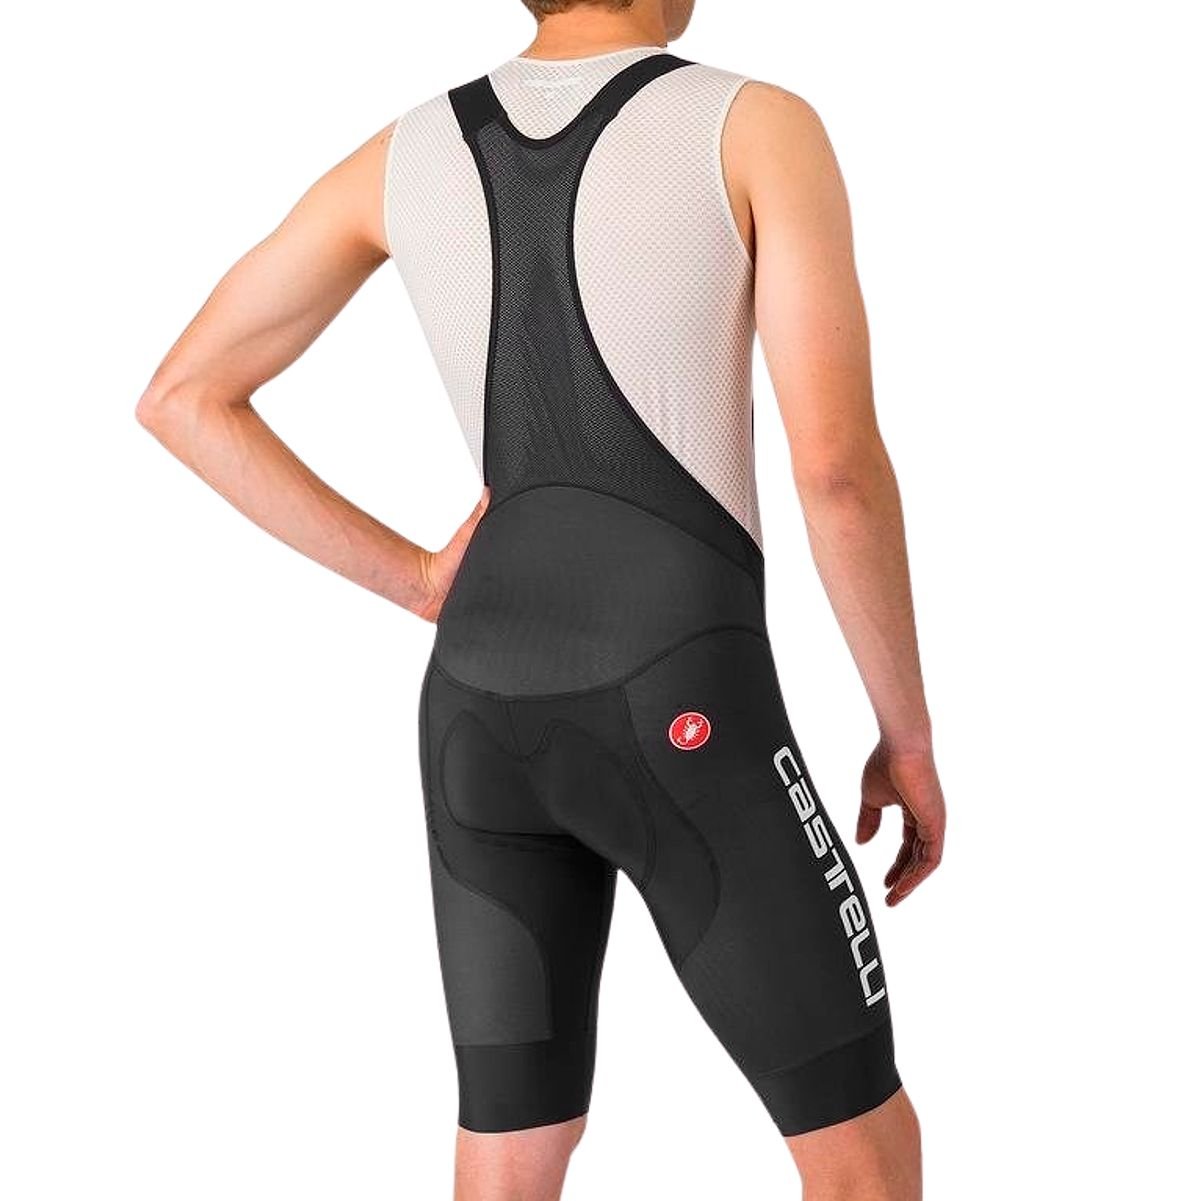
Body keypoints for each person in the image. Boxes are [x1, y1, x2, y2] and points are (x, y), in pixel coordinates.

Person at [136, 0, 947, 1196]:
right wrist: (906, 734)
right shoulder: (755, 125)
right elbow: (835, 472)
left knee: (510, 1159)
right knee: (861, 1158)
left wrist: (420, 580)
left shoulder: (403, 153)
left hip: (475, 716)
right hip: (682, 700)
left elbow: (183, 396)